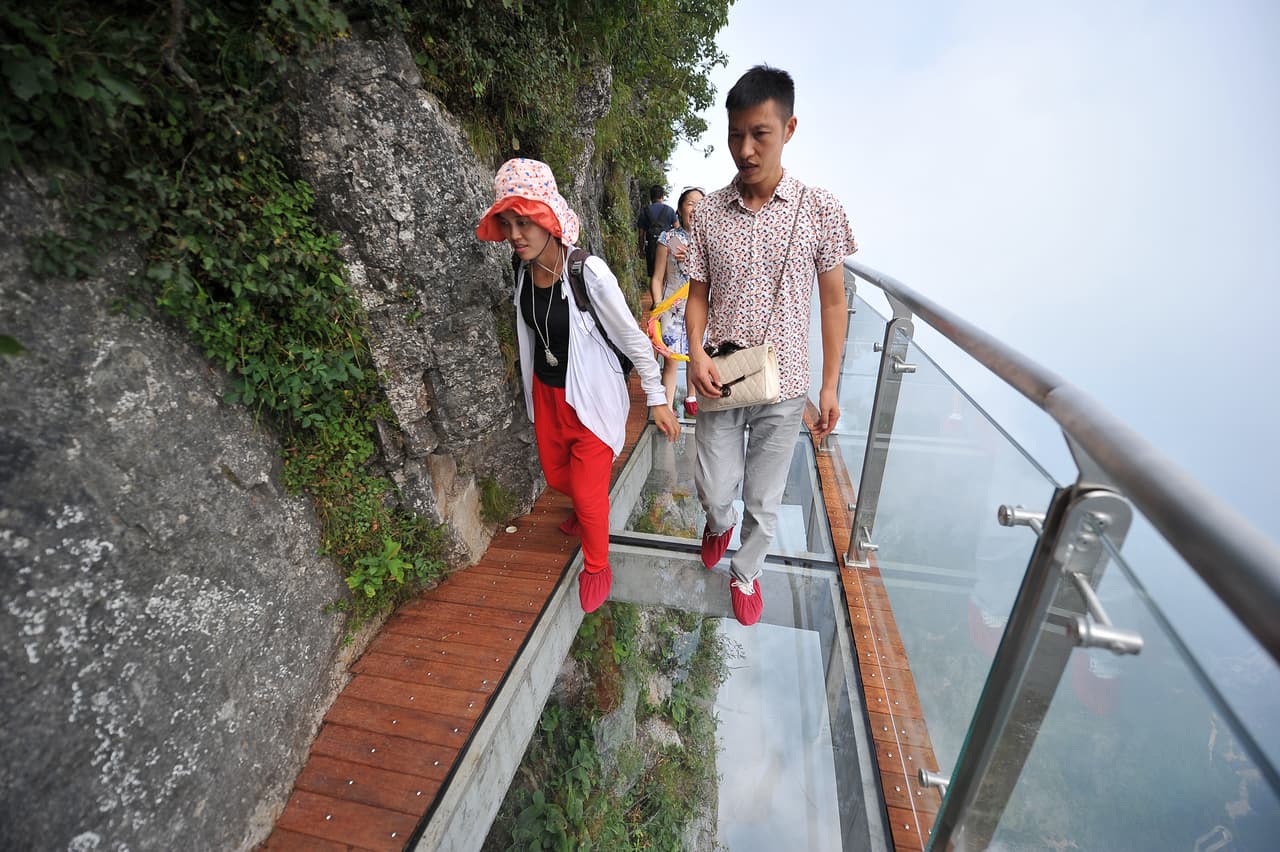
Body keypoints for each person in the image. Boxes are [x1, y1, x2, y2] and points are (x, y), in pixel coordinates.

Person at [684, 66, 857, 626]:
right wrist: (696, 354)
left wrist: (829, 385)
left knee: (764, 499)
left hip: (784, 386)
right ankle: (716, 525)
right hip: (724, 371)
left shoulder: (820, 209)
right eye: (736, 134)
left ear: (789, 129)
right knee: (715, 489)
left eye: (760, 133)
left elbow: (833, 302)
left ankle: (746, 572)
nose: (746, 149)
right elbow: (697, 295)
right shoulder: (707, 211)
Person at [476, 158, 681, 613]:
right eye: (508, 223)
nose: (515, 234)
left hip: (591, 397)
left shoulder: (587, 272)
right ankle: (588, 508)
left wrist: (658, 399)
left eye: (524, 222)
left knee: (588, 495)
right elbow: (530, 335)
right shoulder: (522, 271)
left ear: (549, 218)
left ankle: (597, 563)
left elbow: (632, 336)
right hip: (548, 396)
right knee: (555, 476)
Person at [648, 186, 705, 414]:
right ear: (680, 209)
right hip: (672, 308)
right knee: (671, 360)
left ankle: (692, 398)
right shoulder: (670, 238)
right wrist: (657, 304)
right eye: (690, 203)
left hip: (700, 308)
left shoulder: (709, 240)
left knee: (696, 354)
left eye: (700, 204)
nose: (695, 208)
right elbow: (657, 277)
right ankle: (668, 406)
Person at [637, 185, 678, 278]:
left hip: (651, 248)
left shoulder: (645, 211)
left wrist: (641, 250)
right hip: (667, 248)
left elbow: (641, 234)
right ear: (662, 197)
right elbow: (678, 231)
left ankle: (656, 292)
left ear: (651, 197)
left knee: (655, 276)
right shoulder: (670, 210)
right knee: (668, 276)